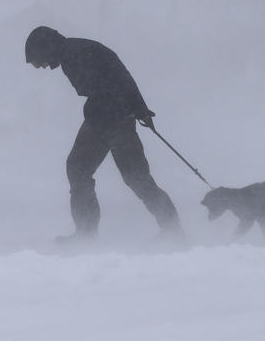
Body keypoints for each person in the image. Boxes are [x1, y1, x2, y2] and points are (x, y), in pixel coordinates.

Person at [25, 25, 182, 244]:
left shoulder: (77, 53)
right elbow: (120, 74)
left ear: (45, 48)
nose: (39, 66)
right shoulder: (72, 53)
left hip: (116, 121)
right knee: (78, 170)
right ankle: (86, 234)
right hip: (99, 121)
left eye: (36, 59)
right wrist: (139, 108)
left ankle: (173, 230)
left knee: (136, 178)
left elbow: (119, 77)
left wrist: (139, 109)